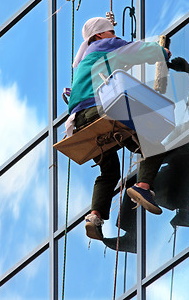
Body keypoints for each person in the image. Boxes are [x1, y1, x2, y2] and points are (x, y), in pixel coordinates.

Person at [67, 16, 171, 241]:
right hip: (100, 109)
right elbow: (134, 50)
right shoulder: (105, 45)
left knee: (110, 171)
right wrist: (161, 53)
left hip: (80, 122)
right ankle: (142, 187)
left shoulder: (85, 60)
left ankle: (94, 217)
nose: (114, 35)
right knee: (153, 142)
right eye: (111, 32)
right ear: (100, 35)